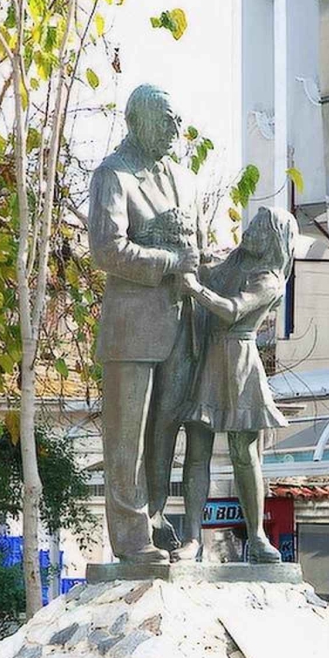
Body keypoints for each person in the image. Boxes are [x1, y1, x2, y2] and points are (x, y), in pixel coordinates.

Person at [87, 84, 208, 564]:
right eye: (166, 119)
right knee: (127, 439)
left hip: (182, 322)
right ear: (137, 122)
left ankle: (155, 519)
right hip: (132, 329)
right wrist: (168, 261)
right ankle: (131, 538)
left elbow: (198, 251)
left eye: (178, 119)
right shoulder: (113, 174)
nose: (176, 128)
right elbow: (106, 249)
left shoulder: (184, 179)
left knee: (164, 432)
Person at [177, 207, 298, 563]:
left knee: (244, 455)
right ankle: (192, 537)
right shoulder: (233, 264)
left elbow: (232, 310)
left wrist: (194, 289)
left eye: (259, 227)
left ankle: (257, 536)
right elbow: (207, 270)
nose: (250, 231)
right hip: (209, 359)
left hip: (240, 363)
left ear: (273, 238)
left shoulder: (269, 279)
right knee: (196, 451)